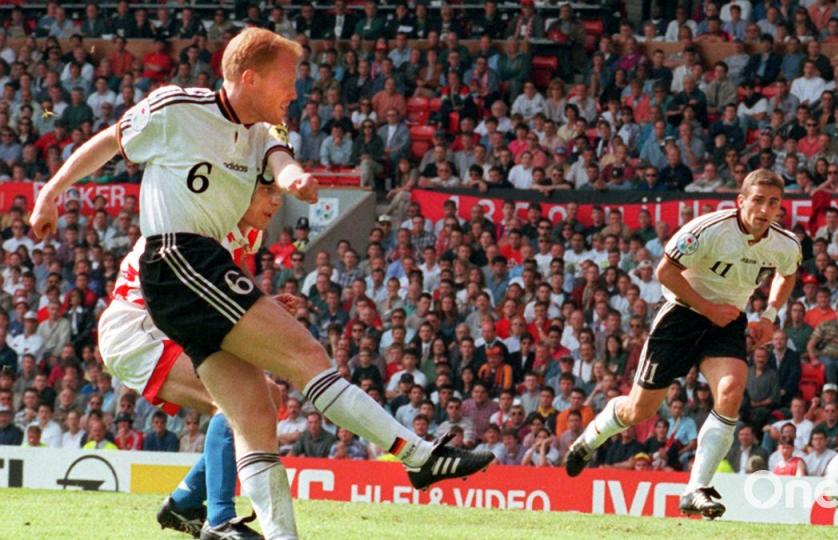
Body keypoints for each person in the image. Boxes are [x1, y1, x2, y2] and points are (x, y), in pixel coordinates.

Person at [31, 28, 494, 540]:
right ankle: (417, 455)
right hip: (174, 261)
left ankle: (270, 533)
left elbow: (279, 158)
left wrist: (293, 178)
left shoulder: (261, 135)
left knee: (255, 411)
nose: (295, 91)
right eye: (287, 80)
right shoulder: (177, 108)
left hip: (190, 277)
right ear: (250, 78)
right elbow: (110, 141)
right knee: (307, 357)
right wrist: (50, 194)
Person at [566, 169, 801, 519]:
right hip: (681, 315)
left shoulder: (785, 243)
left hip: (727, 321)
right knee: (638, 411)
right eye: (758, 200)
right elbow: (665, 271)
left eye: (773, 203)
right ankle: (590, 438)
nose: (765, 209)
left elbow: (788, 271)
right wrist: (707, 308)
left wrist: (768, 315)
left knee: (731, 390)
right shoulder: (709, 229)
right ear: (741, 201)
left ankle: (696, 489)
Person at [97, 177, 284, 538]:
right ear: (239, 190)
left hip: (167, 325)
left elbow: (231, 279)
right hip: (137, 329)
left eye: (279, 192)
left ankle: (184, 502)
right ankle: (220, 520)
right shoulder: (199, 224)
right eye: (266, 190)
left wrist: (262, 305)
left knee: (268, 397)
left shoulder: (242, 231)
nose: (276, 200)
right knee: (235, 402)